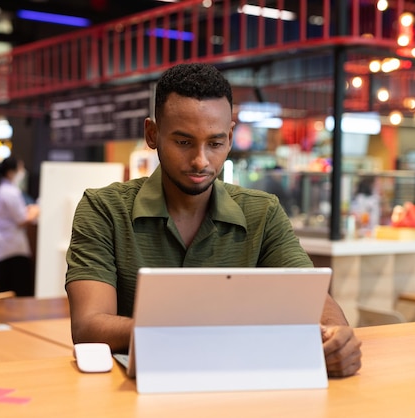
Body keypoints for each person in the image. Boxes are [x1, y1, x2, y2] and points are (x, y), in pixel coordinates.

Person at [65, 63, 361, 377]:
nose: (201, 161)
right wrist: (194, 333)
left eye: (215, 143)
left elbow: (316, 303)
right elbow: (88, 325)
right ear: (152, 134)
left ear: (231, 138)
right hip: (134, 393)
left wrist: (337, 339)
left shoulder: (262, 212)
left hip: (237, 388)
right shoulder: (103, 209)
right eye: (183, 142)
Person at [0, 156, 39, 296]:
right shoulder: (10, 192)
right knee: (14, 291)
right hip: (10, 249)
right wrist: (36, 210)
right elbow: (21, 219)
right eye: (20, 168)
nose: (23, 172)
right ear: (10, 172)